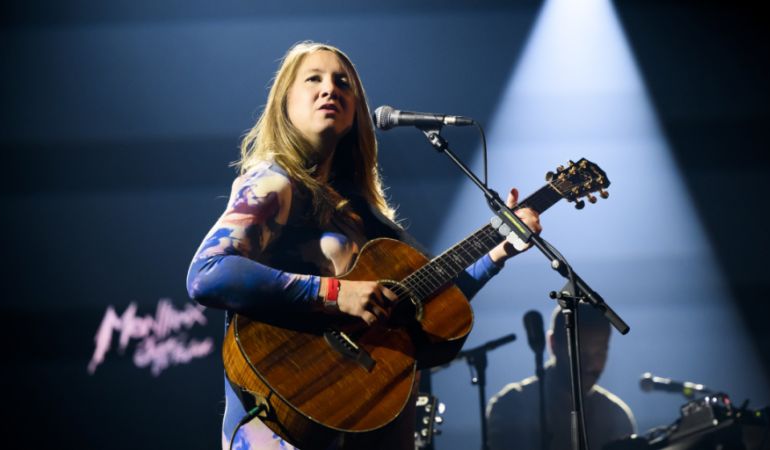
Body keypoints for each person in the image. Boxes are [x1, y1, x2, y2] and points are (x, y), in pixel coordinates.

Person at [185, 41, 542, 450]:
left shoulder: (365, 215)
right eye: (313, 79)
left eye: (343, 83)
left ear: (356, 111)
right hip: (278, 428)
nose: (330, 89)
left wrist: (498, 252)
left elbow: (435, 302)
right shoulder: (273, 182)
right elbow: (207, 274)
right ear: (284, 103)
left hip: (359, 421)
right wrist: (336, 293)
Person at [487, 306, 636, 450]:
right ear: (553, 343)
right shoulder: (512, 406)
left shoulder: (616, 415)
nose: (590, 364)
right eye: (579, 351)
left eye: (599, 352)